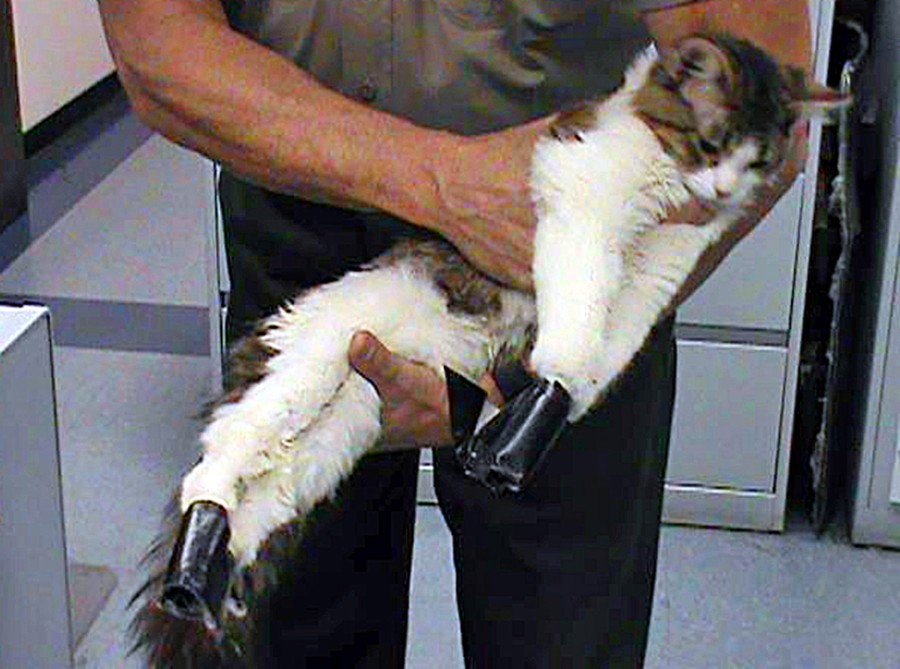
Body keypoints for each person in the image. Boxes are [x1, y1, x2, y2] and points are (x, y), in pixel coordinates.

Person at [98, 1, 811, 666]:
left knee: (560, 633)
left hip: (555, 247)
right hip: (296, 179)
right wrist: (440, 182)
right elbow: (158, 44)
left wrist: (529, 384)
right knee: (290, 608)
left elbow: (774, 101)